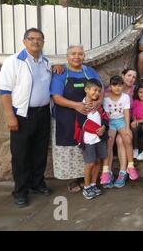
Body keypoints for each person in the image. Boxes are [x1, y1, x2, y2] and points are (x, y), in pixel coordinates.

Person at [0, 28, 53, 207]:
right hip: (22, 115)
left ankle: (37, 183)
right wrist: (10, 116)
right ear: (24, 41)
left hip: (43, 113)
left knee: (39, 152)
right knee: (21, 156)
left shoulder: (46, 62)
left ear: (43, 43)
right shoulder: (14, 61)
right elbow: (4, 90)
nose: (35, 42)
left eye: (39, 39)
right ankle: (20, 191)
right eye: (31, 38)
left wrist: (58, 68)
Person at [50, 45, 102, 194]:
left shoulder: (89, 71)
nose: (77, 57)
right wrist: (77, 106)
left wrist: (97, 103)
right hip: (65, 118)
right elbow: (56, 97)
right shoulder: (61, 72)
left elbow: (101, 89)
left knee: (86, 147)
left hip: (87, 118)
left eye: (80, 54)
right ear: (67, 56)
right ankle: (72, 179)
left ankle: (83, 178)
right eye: (73, 54)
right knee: (69, 148)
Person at [73, 79, 109, 200]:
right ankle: (86, 187)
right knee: (90, 163)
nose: (97, 93)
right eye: (94, 90)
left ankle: (93, 184)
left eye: (99, 91)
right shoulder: (81, 107)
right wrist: (97, 129)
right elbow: (84, 123)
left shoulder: (98, 105)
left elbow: (105, 116)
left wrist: (104, 126)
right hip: (88, 141)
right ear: (86, 90)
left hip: (99, 139)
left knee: (98, 161)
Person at [100, 75, 137, 189]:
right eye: (114, 85)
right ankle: (106, 171)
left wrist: (127, 128)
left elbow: (126, 113)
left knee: (127, 139)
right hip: (111, 122)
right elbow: (106, 116)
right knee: (109, 141)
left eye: (120, 85)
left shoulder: (125, 97)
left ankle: (130, 166)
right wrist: (107, 129)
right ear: (110, 86)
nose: (117, 88)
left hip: (121, 120)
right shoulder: (106, 98)